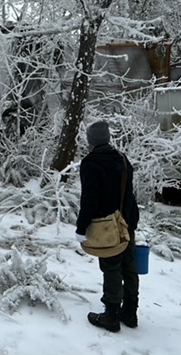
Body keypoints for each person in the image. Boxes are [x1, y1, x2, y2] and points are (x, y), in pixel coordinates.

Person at [75, 120, 140, 332]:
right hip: (126, 221)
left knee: (111, 267)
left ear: (91, 141)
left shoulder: (91, 163)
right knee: (129, 266)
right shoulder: (122, 158)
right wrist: (131, 220)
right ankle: (130, 313)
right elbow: (129, 192)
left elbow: (90, 199)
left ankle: (111, 315)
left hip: (106, 226)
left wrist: (81, 227)